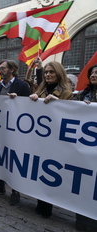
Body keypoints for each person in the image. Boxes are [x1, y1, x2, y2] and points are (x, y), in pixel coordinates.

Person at [0, 59, 31, 206]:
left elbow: (29, 107)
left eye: (3, 68)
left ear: (12, 69)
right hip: (0, 128)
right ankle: (0, 186)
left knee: (13, 158)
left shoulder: (22, 86)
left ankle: (15, 190)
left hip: (16, 129)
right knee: (0, 156)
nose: (0, 70)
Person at [29, 61, 72, 218]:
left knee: (49, 173)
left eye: (51, 72)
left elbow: (69, 115)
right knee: (39, 171)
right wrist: (32, 100)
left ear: (59, 74)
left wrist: (58, 104)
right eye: (46, 72)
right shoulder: (40, 91)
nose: (48, 74)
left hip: (55, 140)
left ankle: (47, 205)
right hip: (40, 139)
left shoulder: (67, 93)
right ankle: (40, 202)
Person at [73, 64, 97, 231]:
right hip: (85, 146)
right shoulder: (83, 94)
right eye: (93, 72)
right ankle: (84, 219)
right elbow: (70, 110)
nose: (94, 74)